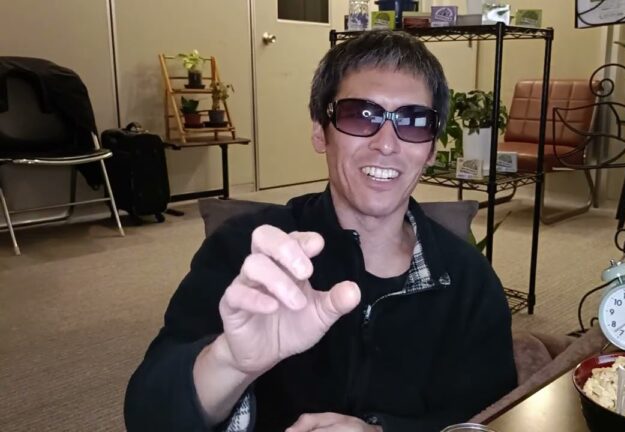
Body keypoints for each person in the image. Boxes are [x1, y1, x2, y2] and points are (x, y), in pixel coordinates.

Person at [124, 30, 517, 432]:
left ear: (431, 148)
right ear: (319, 131)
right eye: (360, 115)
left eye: (413, 122)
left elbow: (492, 419)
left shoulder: (469, 281)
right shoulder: (248, 254)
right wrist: (230, 362)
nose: (386, 144)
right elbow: (147, 418)